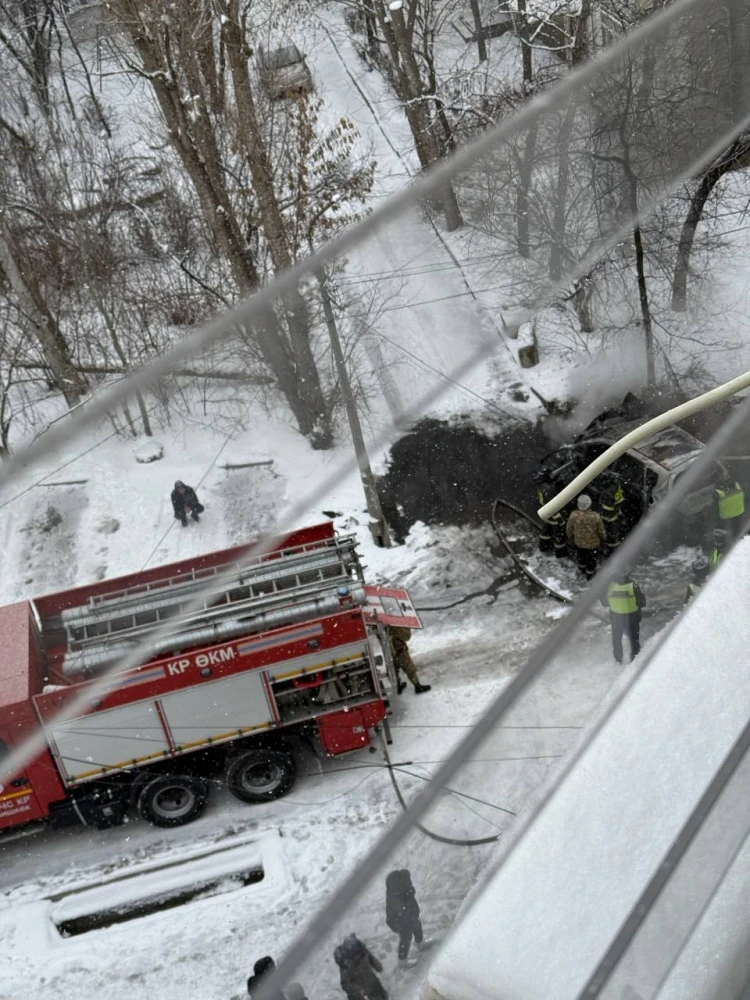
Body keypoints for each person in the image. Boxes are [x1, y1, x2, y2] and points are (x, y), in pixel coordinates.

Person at [385, 869, 428, 965]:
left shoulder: (406, 890)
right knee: (406, 936)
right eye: (407, 879)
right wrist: (409, 920)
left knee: (417, 926)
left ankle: (420, 943)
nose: (409, 881)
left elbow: (411, 903)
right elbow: (401, 912)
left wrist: (415, 913)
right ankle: (402, 960)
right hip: (398, 921)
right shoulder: (396, 897)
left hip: (410, 916)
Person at [604, 571, 646, 664]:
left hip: (616, 617)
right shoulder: (633, 586)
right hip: (632, 617)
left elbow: (605, 602)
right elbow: (642, 603)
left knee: (616, 640)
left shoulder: (609, 587)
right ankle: (635, 660)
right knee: (634, 639)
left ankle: (618, 660)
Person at [565, 495, 606, 581]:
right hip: (593, 544)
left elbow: (569, 528)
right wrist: (603, 538)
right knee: (591, 560)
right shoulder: (595, 516)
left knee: (581, 556)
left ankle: (582, 569)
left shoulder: (574, 515)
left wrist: (570, 536)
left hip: (579, 542)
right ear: (589, 505)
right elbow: (601, 530)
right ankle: (590, 575)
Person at [334, 934, 387, 1000]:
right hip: (358, 993)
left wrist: (377, 966)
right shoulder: (345, 966)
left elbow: (369, 956)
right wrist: (357, 989)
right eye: (356, 957)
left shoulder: (360, 949)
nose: (359, 958)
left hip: (371, 980)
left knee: (383, 996)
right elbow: (345, 984)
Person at [387, 626, 431, 695]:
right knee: (410, 668)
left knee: (394, 669)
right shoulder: (394, 625)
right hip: (399, 651)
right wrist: (406, 627)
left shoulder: (382, 624)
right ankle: (417, 686)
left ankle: (398, 686)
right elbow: (406, 636)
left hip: (389, 652)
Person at [535, 473, 566, 557]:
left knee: (546, 531)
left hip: (546, 514)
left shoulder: (541, 488)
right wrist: (561, 521)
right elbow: (553, 509)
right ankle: (560, 554)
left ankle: (543, 546)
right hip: (553, 517)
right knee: (559, 536)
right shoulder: (550, 491)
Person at [715, 476, 745, 541]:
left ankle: (732, 537)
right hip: (739, 510)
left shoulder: (722, 493)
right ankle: (738, 537)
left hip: (727, 515)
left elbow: (716, 491)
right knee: (736, 526)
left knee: (729, 526)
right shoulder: (738, 488)